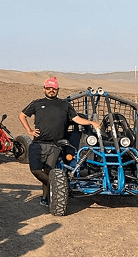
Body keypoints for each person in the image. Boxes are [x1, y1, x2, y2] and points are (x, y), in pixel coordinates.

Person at [19, 77, 101, 206]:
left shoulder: (65, 105)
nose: (51, 90)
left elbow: (77, 119)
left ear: (57, 90)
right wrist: (29, 130)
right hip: (39, 143)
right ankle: (59, 186)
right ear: (44, 89)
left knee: (49, 171)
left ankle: (46, 198)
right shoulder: (37, 103)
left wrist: (91, 122)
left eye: (54, 88)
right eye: (48, 88)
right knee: (35, 170)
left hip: (56, 145)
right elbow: (22, 115)